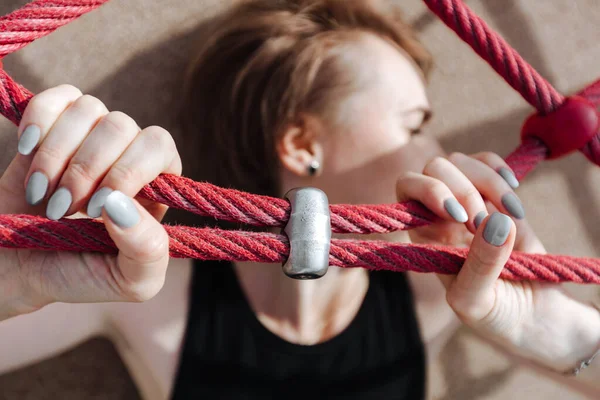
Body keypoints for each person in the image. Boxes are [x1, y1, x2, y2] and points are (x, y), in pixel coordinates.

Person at [0, 0, 598, 399]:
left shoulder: (442, 294)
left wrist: (549, 327)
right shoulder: (140, 285)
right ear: (301, 143)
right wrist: (12, 279)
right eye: (415, 122)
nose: (437, 145)